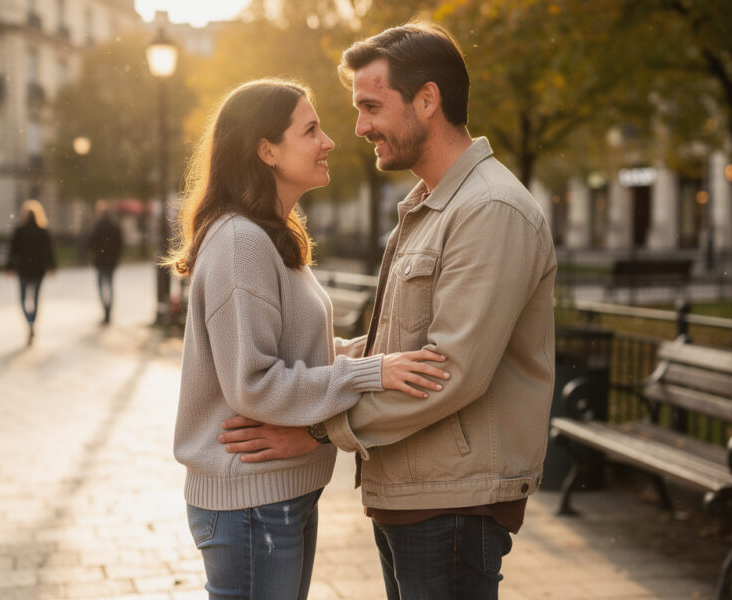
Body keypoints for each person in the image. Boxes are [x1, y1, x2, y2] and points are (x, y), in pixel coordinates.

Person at [218, 23, 557, 599]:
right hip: (414, 490)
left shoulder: (489, 209)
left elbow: (450, 370)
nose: (359, 127)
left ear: (428, 100)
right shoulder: (431, 205)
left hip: (452, 501)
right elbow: (395, 350)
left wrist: (319, 431)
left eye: (372, 106)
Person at [166, 78, 450, 600]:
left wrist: (376, 354)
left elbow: (299, 355)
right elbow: (253, 383)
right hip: (250, 501)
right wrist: (371, 372)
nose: (330, 142)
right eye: (311, 130)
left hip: (277, 494)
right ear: (267, 150)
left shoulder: (270, 234)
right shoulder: (240, 242)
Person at [6, 199, 57, 345]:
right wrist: (52, 267)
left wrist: (9, 268)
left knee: (22, 299)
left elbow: (12, 251)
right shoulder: (43, 231)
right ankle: (32, 322)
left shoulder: (19, 230)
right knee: (35, 299)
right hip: (39, 269)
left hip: (23, 269)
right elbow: (49, 251)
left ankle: (29, 321)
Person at [88, 200, 123, 325]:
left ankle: (105, 311)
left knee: (101, 286)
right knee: (110, 285)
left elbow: (91, 243)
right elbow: (120, 244)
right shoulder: (115, 226)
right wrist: (116, 256)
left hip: (100, 261)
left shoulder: (97, 226)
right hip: (111, 261)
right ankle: (109, 311)